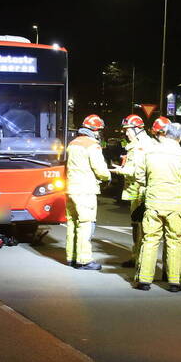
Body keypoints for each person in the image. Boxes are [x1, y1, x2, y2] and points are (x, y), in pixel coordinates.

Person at [133, 122, 181, 292]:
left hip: (154, 203)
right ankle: (174, 282)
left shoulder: (150, 152)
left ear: (165, 133)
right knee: (175, 241)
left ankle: (144, 280)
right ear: (180, 137)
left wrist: (152, 185)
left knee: (150, 239)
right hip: (176, 205)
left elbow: (139, 176)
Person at [65, 114, 111, 270]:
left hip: (71, 189)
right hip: (85, 190)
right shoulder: (92, 145)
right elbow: (100, 170)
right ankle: (84, 260)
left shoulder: (73, 143)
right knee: (86, 224)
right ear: (95, 130)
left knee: (72, 223)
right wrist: (108, 176)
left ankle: (71, 257)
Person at [111, 114, 152, 267]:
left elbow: (137, 171)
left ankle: (140, 259)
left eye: (128, 130)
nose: (126, 133)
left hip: (141, 191)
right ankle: (136, 256)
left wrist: (119, 170)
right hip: (136, 189)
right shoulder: (138, 144)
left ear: (137, 129)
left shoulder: (142, 146)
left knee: (140, 225)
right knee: (136, 224)